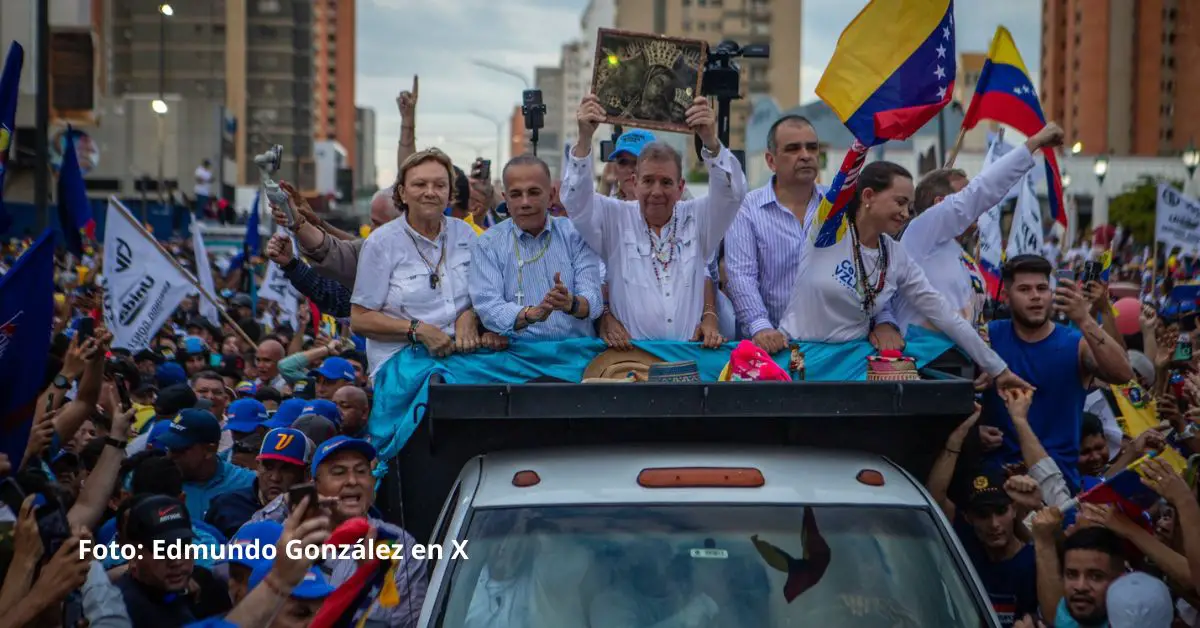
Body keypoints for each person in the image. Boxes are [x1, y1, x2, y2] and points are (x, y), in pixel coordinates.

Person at [776, 160, 1027, 388]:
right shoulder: (828, 232)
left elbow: (943, 314)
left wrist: (998, 369)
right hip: (801, 362)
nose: (906, 214)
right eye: (899, 202)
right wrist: (863, 141)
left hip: (852, 367)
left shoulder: (895, 255)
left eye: (910, 206)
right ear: (868, 196)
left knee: (934, 352)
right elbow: (841, 184)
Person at [562, 93, 746, 342]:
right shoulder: (615, 217)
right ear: (635, 183)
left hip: (687, 361)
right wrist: (584, 138)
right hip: (632, 362)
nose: (657, 191)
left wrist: (710, 141)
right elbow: (576, 202)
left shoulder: (697, 218)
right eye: (648, 181)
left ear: (680, 187)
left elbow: (731, 193)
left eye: (666, 182)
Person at [980, 255, 1134, 492]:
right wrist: (974, 433)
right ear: (1006, 296)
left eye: (1042, 288)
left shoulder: (1076, 344)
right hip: (997, 486)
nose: (1035, 296)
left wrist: (1084, 319)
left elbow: (1124, 374)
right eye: (1024, 289)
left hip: (1057, 489)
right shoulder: (987, 337)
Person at [892, 123, 1064, 334]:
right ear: (940, 204)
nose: (975, 204)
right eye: (965, 194)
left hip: (961, 361)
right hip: (925, 360)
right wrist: (1034, 142)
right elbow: (983, 190)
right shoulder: (920, 234)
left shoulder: (963, 257)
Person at [249, 436, 428, 627]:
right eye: (338, 473)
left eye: (361, 471)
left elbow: (408, 621)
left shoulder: (397, 544)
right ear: (315, 484)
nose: (352, 481)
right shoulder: (280, 537)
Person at [351, 148, 482, 376]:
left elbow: (486, 293)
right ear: (402, 193)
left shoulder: (466, 234)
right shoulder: (380, 243)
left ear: (450, 193)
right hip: (402, 360)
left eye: (440, 185)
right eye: (420, 185)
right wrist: (417, 330)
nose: (430, 192)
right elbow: (360, 320)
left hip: (462, 355)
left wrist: (470, 314)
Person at [470, 154, 603, 341]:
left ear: (550, 196)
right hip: (516, 357)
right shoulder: (487, 244)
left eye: (533, 192)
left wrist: (570, 303)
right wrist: (530, 314)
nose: (525, 203)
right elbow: (488, 306)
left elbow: (594, 301)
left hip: (576, 356)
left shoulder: (575, 235)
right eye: (516, 195)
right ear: (506, 201)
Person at [725, 115, 828, 351]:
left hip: (830, 348)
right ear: (771, 160)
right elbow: (741, 276)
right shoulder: (747, 208)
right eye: (793, 149)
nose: (805, 155)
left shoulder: (838, 205)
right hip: (768, 349)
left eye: (812, 147)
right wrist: (761, 327)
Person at [116, 494, 231, 625]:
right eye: (162, 550)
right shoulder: (121, 611)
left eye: (183, 547)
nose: (176, 562)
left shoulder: (206, 586)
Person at [205, 427, 313, 539]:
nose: (275, 478)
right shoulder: (226, 505)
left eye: (286, 469)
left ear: (305, 474)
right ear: (258, 466)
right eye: (268, 467)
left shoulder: (314, 514)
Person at [155, 408, 256, 519]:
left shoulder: (247, 483)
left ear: (209, 449)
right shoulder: (157, 481)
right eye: (169, 447)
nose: (170, 455)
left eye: (180, 449)